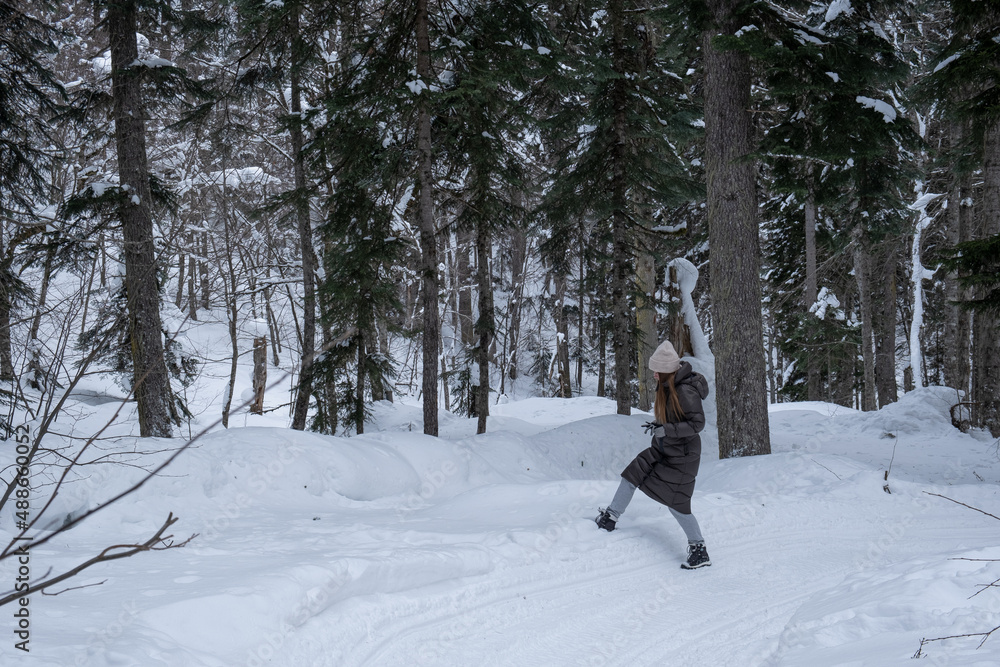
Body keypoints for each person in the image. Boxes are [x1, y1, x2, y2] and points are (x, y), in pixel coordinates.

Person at [595, 340, 712, 570]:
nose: (655, 375)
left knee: (676, 503)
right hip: (665, 447)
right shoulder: (669, 386)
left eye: (658, 371)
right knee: (634, 472)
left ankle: (699, 550)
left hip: (684, 456)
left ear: (668, 371)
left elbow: (698, 424)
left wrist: (667, 429)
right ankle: (610, 517)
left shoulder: (685, 390)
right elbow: (674, 416)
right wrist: (660, 425)